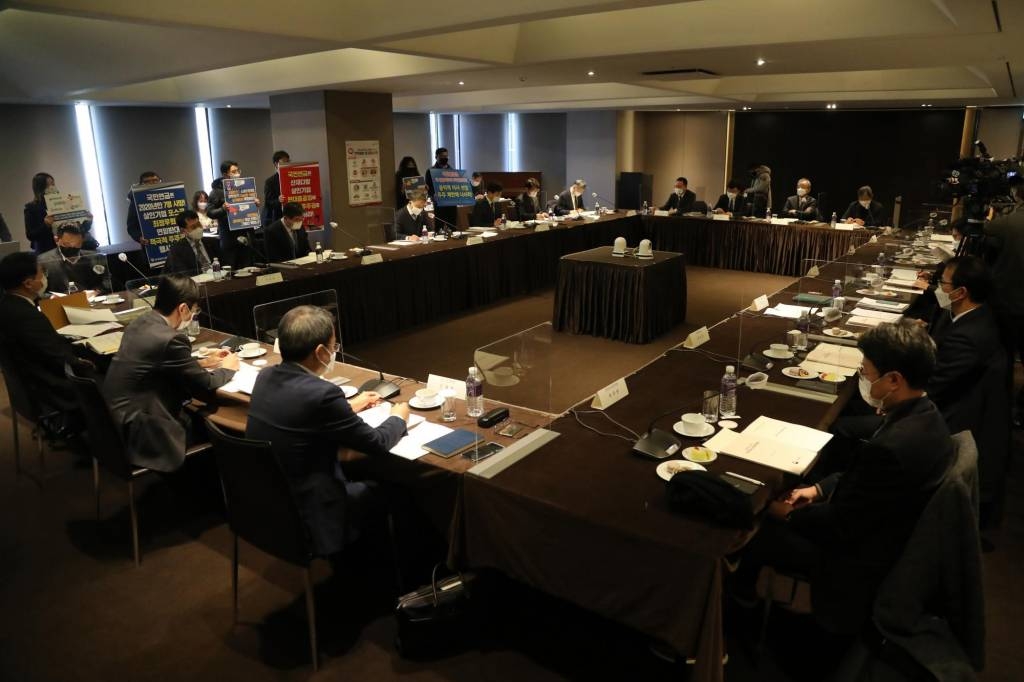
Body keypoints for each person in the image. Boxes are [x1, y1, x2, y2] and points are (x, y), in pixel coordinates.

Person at [734, 321, 953, 633]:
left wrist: (787, 514)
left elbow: (840, 527)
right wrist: (818, 489)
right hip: (880, 528)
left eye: (866, 371)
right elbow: (864, 482)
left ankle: (740, 613)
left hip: (858, 558)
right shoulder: (926, 414)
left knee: (755, 530)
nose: (864, 377)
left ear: (894, 380)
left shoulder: (891, 447)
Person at [246, 305, 409, 556]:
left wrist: (349, 407)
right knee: (399, 489)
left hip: (269, 504)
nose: (334, 352)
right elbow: (375, 442)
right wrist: (399, 417)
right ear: (321, 352)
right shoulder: (323, 394)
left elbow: (302, 413)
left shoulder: (266, 376)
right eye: (334, 347)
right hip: (313, 511)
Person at [103, 274, 238, 473]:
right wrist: (229, 367)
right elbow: (205, 384)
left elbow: (157, 364)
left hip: (113, 425)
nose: (193, 315)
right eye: (194, 310)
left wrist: (200, 362)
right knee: (217, 428)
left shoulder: (140, 323)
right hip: (143, 430)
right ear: (183, 309)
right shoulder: (171, 339)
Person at [926, 256, 1009, 524]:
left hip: (951, 420)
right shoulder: (976, 316)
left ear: (961, 292)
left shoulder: (968, 336)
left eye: (942, 283)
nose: (939, 288)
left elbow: (931, 387)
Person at [0, 251, 86, 432]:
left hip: (27, 389)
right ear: (28, 283)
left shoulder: (7, 305)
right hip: (52, 392)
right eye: (42, 273)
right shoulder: (26, 316)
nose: (45, 278)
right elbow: (57, 357)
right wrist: (82, 361)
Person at [985, 174, 1024, 421]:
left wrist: (991, 213)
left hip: (1009, 300)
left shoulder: (1010, 221)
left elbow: (987, 228)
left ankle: (1001, 404)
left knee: (1005, 354)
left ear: (1017, 194)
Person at [24, 172, 96, 254]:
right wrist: (46, 225)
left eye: (54, 184)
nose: (54, 188)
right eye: (50, 185)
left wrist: (88, 222)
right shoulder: (31, 208)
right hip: (47, 252)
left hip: (69, 249)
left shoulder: (63, 203)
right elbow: (31, 235)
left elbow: (75, 230)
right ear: (41, 188)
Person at [207, 159, 259, 269]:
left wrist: (254, 205)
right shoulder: (216, 191)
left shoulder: (245, 187)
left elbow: (247, 208)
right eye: (234, 172)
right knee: (232, 269)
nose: (237, 174)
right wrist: (222, 209)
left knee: (248, 268)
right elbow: (210, 212)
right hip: (229, 238)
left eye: (238, 170)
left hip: (245, 235)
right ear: (225, 174)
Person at [37, 224, 110, 294]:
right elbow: (38, 291)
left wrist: (96, 291)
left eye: (77, 244)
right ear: (57, 240)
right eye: (67, 244)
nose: (72, 247)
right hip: (59, 301)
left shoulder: (95, 257)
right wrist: (52, 297)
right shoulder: (43, 261)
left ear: (82, 240)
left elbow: (108, 280)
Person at [164, 210, 213, 276]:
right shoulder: (177, 251)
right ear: (183, 231)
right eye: (193, 227)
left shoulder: (213, 242)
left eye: (199, 225)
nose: (198, 228)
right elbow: (183, 275)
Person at [126, 171, 162, 244]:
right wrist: (139, 237)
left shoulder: (172, 195)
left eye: (155, 180)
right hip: (150, 243)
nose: (152, 183)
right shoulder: (136, 201)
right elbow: (131, 227)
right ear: (141, 184)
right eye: (147, 182)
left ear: (160, 182)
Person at [262, 150, 290, 227]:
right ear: (276, 164)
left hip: (291, 215)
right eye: (283, 162)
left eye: (288, 161)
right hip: (277, 218)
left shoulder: (292, 178)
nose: (286, 164)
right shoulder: (270, 181)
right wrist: (278, 200)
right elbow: (268, 202)